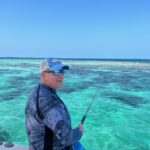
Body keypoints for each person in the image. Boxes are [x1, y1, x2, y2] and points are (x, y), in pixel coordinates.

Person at [25, 58, 85, 150]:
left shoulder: (37, 91)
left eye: (62, 71)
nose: (61, 76)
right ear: (43, 75)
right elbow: (67, 139)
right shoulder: (48, 101)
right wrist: (79, 131)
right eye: (56, 72)